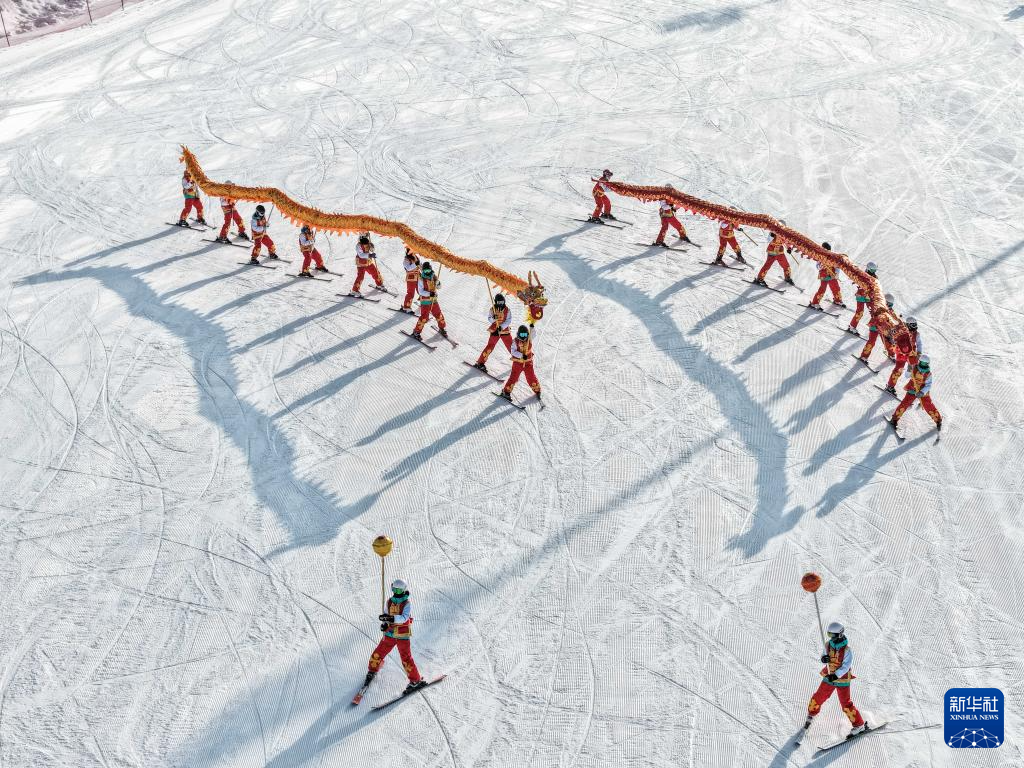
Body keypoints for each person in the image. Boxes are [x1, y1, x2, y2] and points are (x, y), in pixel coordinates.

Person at [805, 621, 867, 736]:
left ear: (839, 634)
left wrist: (836, 675)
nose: (830, 637)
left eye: (832, 635)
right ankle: (811, 714)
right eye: (829, 634)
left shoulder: (847, 650)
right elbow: (823, 654)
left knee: (845, 703)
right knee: (819, 696)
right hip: (829, 676)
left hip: (842, 679)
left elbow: (846, 666)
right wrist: (824, 658)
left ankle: (859, 725)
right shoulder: (828, 645)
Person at [363, 579, 425, 694]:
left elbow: (404, 618)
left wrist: (391, 618)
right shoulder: (389, 601)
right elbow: (386, 614)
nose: (396, 592)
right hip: (389, 634)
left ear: (404, 590)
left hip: (402, 635)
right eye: (394, 589)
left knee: (406, 658)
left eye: (399, 590)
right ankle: (372, 670)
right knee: (378, 652)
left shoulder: (406, 603)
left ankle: (415, 680)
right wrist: (385, 623)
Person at [891, 355, 941, 431]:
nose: (923, 365)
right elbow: (907, 376)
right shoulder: (914, 367)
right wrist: (908, 369)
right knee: (905, 403)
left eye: (925, 363)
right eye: (922, 363)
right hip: (912, 389)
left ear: (927, 364)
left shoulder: (928, 374)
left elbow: (928, 385)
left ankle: (938, 419)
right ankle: (894, 419)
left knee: (928, 404)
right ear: (919, 362)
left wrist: (922, 392)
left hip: (922, 391)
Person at [500, 325, 541, 401]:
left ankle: (537, 389)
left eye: (525, 334)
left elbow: (533, 334)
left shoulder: (529, 339)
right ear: (518, 334)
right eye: (521, 334)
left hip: (528, 363)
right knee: (514, 377)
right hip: (518, 363)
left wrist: (532, 327)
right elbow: (513, 351)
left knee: (531, 376)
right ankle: (506, 391)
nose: (523, 336)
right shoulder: (515, 341)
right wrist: (521, 355)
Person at [473, 294, 513, 372]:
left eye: (502, 302)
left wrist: (502, 326)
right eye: (499, 302)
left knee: (511, 345)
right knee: (490, 345)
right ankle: (480, 362)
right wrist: (493, 319)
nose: (501, 304)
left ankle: (519, 360)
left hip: (504, 330)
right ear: (495, 302)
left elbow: (508, 320)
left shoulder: (507, 310)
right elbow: (489, 318)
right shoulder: (492, 309)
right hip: (495, 329)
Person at [884, 316, 923, 394]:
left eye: (915, 325)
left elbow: (919, 343)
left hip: (911, 354)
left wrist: (919, 353)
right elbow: (893, 337)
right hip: (902, 354)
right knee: (898, 369)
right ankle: (890, 386)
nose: (914, 327)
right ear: (908, 325)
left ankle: (913, 387)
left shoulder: (916, 334)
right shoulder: (901, 330)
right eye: (913, 325)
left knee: (916, 370)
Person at [411, 262, 447, 340]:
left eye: (428, 270)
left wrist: (438, 283)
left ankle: (442, 328)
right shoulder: (421, 279)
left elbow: (439, 287)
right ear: (423, 270)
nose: (427, 272)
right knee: (424, 317)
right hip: (425, 301)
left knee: (438, 314)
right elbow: (420, 292)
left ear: (431, 269)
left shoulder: (434, 277)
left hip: (434, 300)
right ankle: (416, 332)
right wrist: (430, 293)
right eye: (425, 271)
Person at [858, 293, 896, 364]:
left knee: (888, 341)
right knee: (871, 341)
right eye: (888, 304)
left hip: (884, 328)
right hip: (874, 326)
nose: (889, 306)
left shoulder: (890, 311)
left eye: (890, 305)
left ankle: (891, 354)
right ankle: (864, 356)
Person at [809, 243, 844, 309]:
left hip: (832, 274)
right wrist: (821, 266)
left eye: (828, 250)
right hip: (824, 275)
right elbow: (817, 266)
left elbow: (837, 266)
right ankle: (815, 303)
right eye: (826, 250)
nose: (827, 252)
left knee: (836, 287)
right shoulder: (820, 256)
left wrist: (837, 274)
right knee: (822, 289)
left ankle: (837, 300)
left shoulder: (832, 256)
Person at [847, 263, 877, 334]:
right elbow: (857, 280)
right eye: (872, 270)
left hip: (869, 297)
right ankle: (852, 326)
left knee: (874, 312)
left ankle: (874, 327)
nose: (874, 272)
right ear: (868, 269)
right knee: (860, 312)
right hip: (861, 295)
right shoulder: (862, 275)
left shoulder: (875, 277)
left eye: (874, 270)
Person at [401, 247, 420, 313]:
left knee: (421, 290)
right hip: (411, 277)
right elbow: (408, 268)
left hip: (418, 276)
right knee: (411, 293)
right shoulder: (406, 260)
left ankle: (424, 303)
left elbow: (419, 265)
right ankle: (406, 307)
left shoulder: (416, 257)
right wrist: (416, 264)